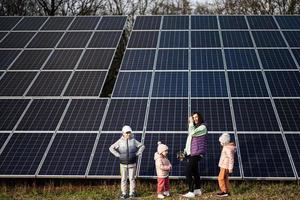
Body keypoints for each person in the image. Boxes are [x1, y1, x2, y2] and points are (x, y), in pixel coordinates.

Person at [109, 125, 145, 199]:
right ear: (123, 133)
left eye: (129, 132)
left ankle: (132, 192)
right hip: (123, 164)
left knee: (132, 178)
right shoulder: (119, 141)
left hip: (132, 163)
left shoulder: (133, 141)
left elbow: (142, 146)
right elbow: (111, 148)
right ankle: (124, 193)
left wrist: (137, 153)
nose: (128, 134)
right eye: (126, 133)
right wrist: (118, 155)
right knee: (123, 179)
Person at [183, 112, 207, 198]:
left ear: (200, 117)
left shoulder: (203, 127)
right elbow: (189, 140)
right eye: (193, 118)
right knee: (195, 171)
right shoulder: (195, 128)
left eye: (196, 117)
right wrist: (185, 151)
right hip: (191, 152)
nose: (194, 119)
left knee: (188, 171)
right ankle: (197, 190)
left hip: (197, 152)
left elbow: (192, 133)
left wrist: (190, 123)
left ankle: (191, 191)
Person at [217, 133, 236, 197]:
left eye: (221, 142)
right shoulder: (228, 147)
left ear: (225, 142)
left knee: (220, 178)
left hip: (225, 166)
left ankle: (224, 191)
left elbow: (231, 159)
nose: (220, 144)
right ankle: (227, 191)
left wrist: (230, 168)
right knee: (225, 178)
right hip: (224, 165)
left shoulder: (228, 148)